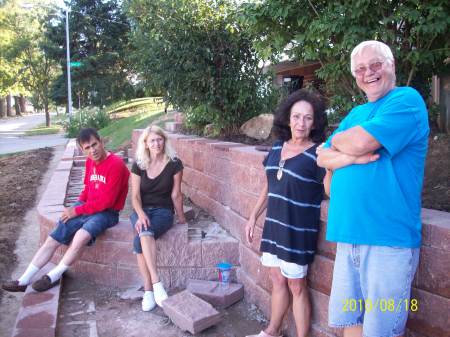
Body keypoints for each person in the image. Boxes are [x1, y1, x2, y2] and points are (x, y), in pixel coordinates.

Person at [316, 40, 429, 337]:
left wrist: (344, 146)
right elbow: (321, 156)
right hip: (348, 234)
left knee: (380, 330)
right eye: (361, 69)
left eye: (376, 64)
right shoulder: (355, 114)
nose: (369, 73)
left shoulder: (405, 100)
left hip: (386, 240)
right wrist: (350, 154)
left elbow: (359, 143)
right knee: (349, 322)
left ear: (391, 65)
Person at [2, 128, 130, 292]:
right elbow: (86, 190)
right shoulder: (90, 161)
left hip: (108, 213)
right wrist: (75, 206)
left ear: (101, 141)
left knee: (80, 236)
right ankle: (23, 280)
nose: (93, 150)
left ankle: (53, 276)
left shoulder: (116, 165)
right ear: (82, 150)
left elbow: (107, 202)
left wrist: (77, 211)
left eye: (94, 144)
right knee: (53, 237)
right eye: (87, 148)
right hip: (88, 208)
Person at [245, 89, 328, 337]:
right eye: (296, 116)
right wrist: (253, 216)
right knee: (277, 280)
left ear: (315, 122)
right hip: (274, 226)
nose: (301, 123)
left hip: (298, 230)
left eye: (308, 118)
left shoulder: (318, 154)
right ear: (287, 118)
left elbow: (331, 190)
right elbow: (269, 185)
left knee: (297, 285)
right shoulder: (278, 146)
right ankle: (272, 331)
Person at [130, 125, 186, 311]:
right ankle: (155, 284)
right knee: (144, 229)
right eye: (152, 140)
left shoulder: (174, 163)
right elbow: (135, 196)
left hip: (163, 211)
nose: (157, 143)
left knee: (140, 241)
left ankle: (148, 290)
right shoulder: (139, 164)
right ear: (145, 143)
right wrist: (140, 214)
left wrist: (182, 219)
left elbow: (176, 195)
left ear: (165, 140)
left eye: (159, 139)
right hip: (141, 210)